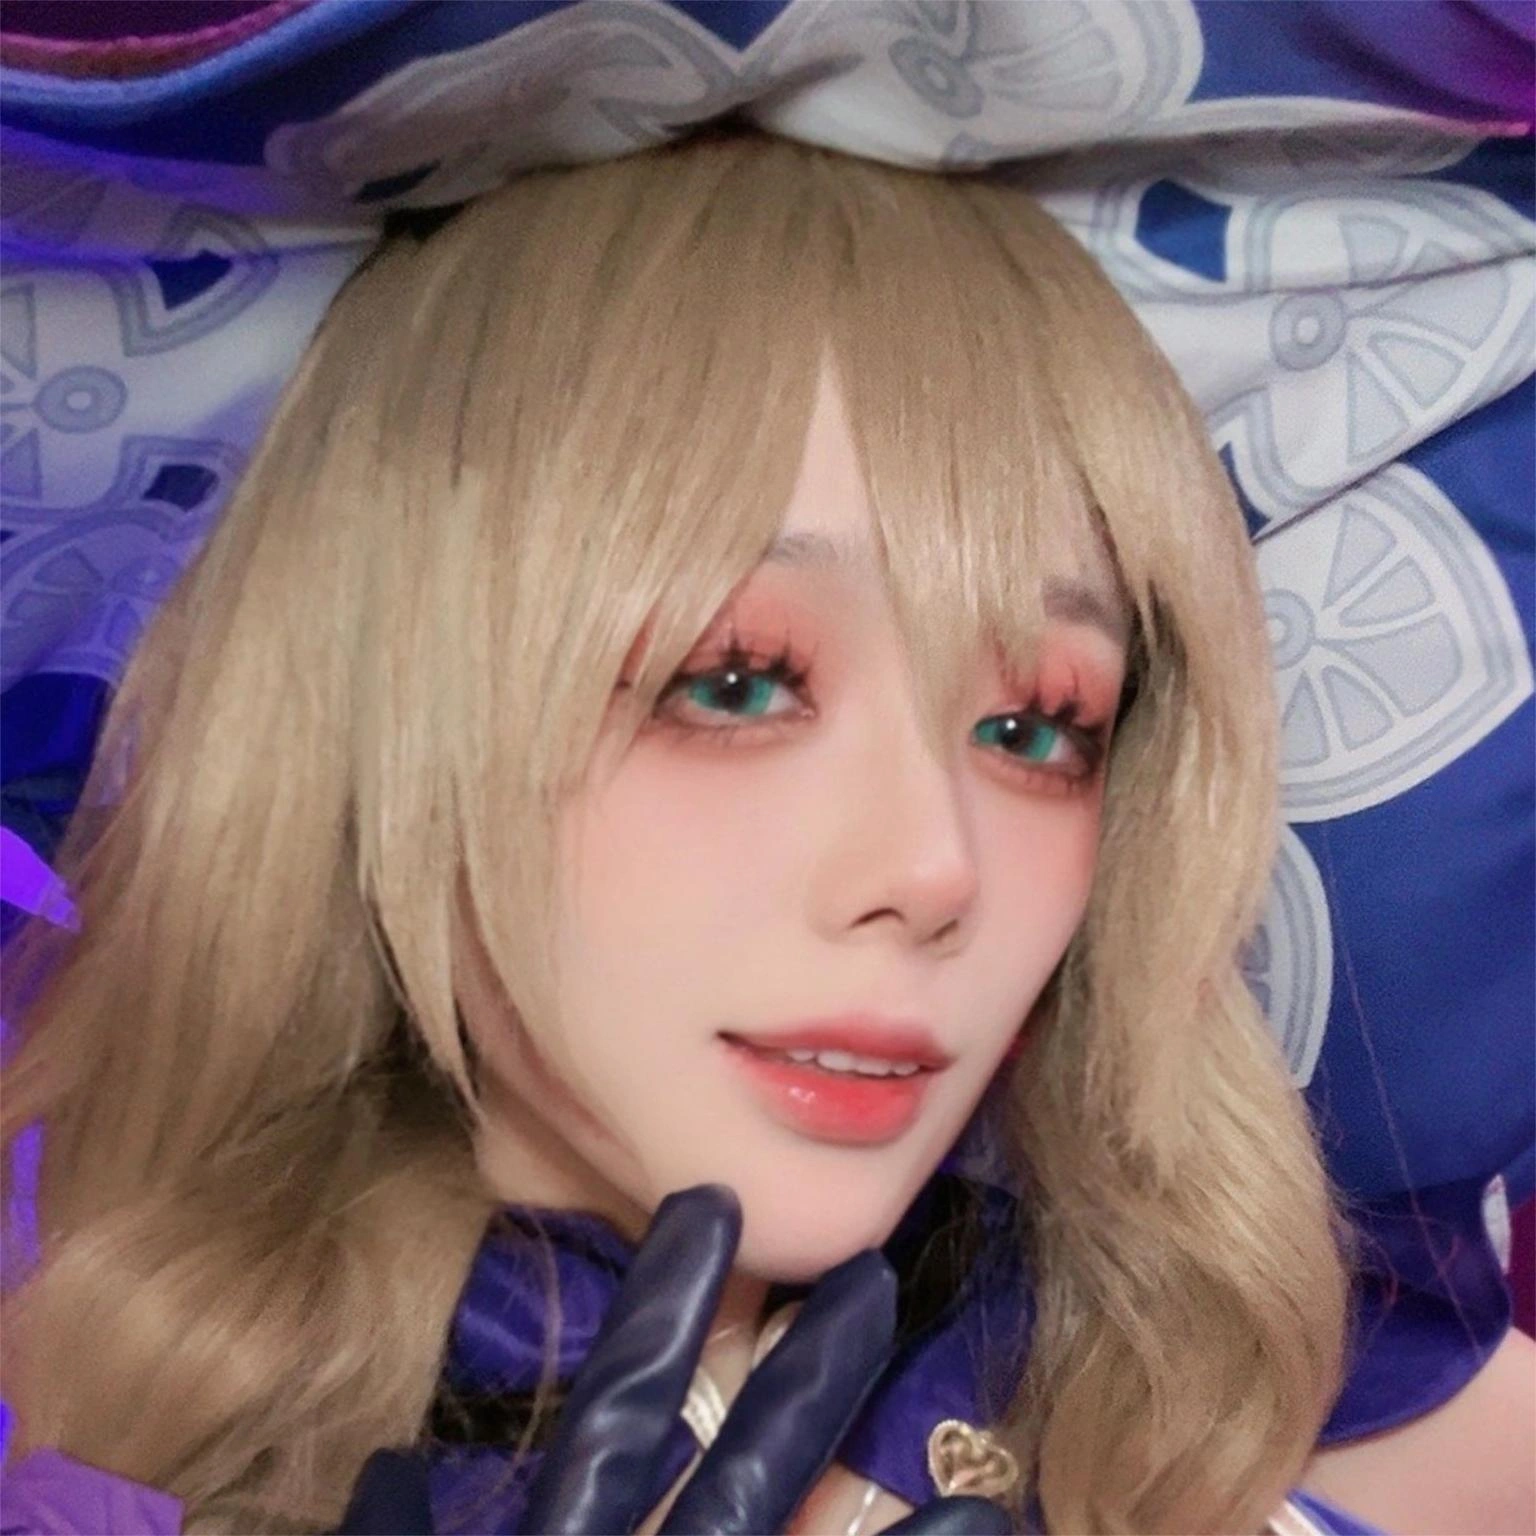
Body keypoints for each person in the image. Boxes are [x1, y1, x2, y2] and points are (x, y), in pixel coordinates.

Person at [1, 131, 1360, 1534]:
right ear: (397, 704)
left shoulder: (1197, 1432)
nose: (935, 868)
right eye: (737, 682)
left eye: (1036, 725)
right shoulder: (100, 1451)